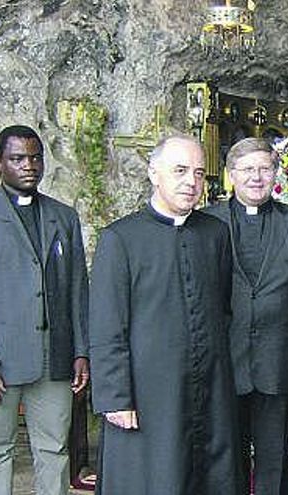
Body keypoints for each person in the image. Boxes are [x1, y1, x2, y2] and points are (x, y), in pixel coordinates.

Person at [89, 135, 241, 495]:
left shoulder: (215, 233)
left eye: (199, 173)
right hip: (148, 393)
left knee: (212, 475)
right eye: (180, 171)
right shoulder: (120, 238)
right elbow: (106, 323)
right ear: (154, 174)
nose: (191, 181)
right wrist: (115, 396)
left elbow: (223, 307)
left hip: (209, 386)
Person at [0, 125, 89, 495]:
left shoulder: (64, 217)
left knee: (55, 449)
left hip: (54, 356)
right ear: (0, 163)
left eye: (34, 157)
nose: (28, 165)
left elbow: (78, 289)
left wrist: (81, 350)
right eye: (17, 158)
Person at [204, 138, 288, 495]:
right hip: (223, 362)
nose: (256, 177)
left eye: (265, 168)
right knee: (224, 462)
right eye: (247, 169)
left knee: (275, 463)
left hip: (278, 361)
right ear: (231, 175)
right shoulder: (206, 222)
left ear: (276, 174)